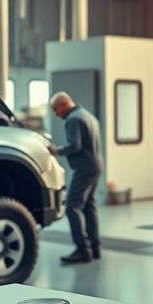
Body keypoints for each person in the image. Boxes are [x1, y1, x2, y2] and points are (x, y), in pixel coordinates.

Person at [48, 92, 103, 264]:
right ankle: (95, 248)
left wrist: (57, 151)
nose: (56, 114)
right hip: (96, 166)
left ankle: (82, 250)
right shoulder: (88, 116)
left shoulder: (73, 119)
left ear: (64, 104)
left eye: (56, 110)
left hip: (84, 168)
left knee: (73, 206)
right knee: (89, 206)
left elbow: (75, 145)